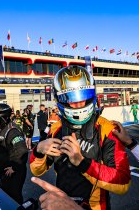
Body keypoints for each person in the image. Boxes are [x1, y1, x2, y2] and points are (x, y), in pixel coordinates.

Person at [30, 66, 131, 209]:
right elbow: (36, 170)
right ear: (60, 99)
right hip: (61, 205)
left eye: (83, 96)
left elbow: (123, 182)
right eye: (70, 98)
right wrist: (38, 150)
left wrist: (82, 162)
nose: (78, 104)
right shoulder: (55, 128)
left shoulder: (107, 129)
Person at [0, 103, 28, 204]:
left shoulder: (12, 130)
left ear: (1, 118)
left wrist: (14, 167)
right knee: (5, 197)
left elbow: (22, 150)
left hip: (13, 172)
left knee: (14, 198)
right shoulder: (1, 130)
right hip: (3, 173)